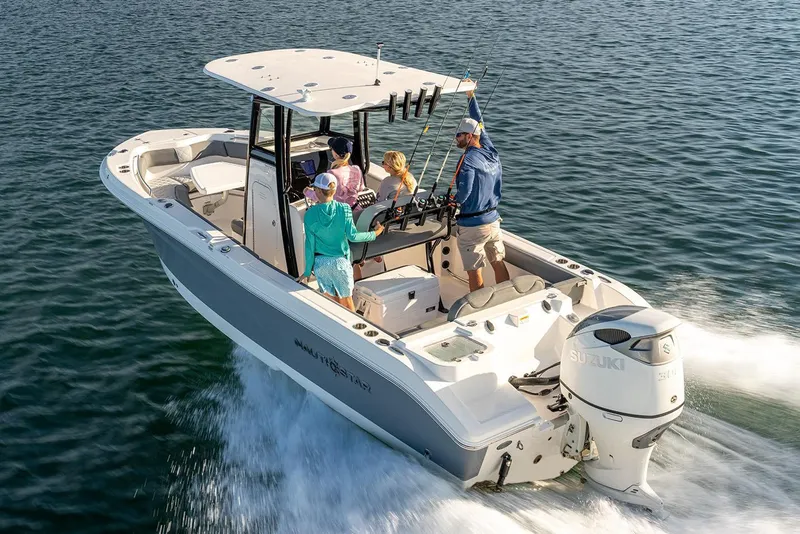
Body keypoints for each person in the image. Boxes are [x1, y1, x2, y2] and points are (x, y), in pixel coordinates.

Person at [452, 86, 510, 292]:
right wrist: (471, 96)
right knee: (497, 261)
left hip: (473, 226)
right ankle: (506, 297)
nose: (456, 139)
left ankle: (478, 309)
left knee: (474, 269)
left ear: (469, 136)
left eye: (459, 135)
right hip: (493, 220)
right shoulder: (490, 149)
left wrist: (453, 201)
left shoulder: (466, 160)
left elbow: (464, 194)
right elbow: (479, 120)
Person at [298, 173, 384, 311]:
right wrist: (375, 233)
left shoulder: (310, 214)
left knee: (332, 306)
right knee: (348, 305)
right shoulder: (344, 209)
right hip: (340, 264)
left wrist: (307, 271)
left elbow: (309, 246)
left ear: (319, 191)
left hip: (321, 265)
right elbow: (353, 236)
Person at [327, 137, 365, 212]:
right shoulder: (357, 169)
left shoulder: (332, 173)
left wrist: (308, 192)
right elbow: (361, 188)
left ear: (336, 154)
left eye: (332, 149)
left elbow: (324, 196)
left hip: (339, 213)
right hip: (355, 210)